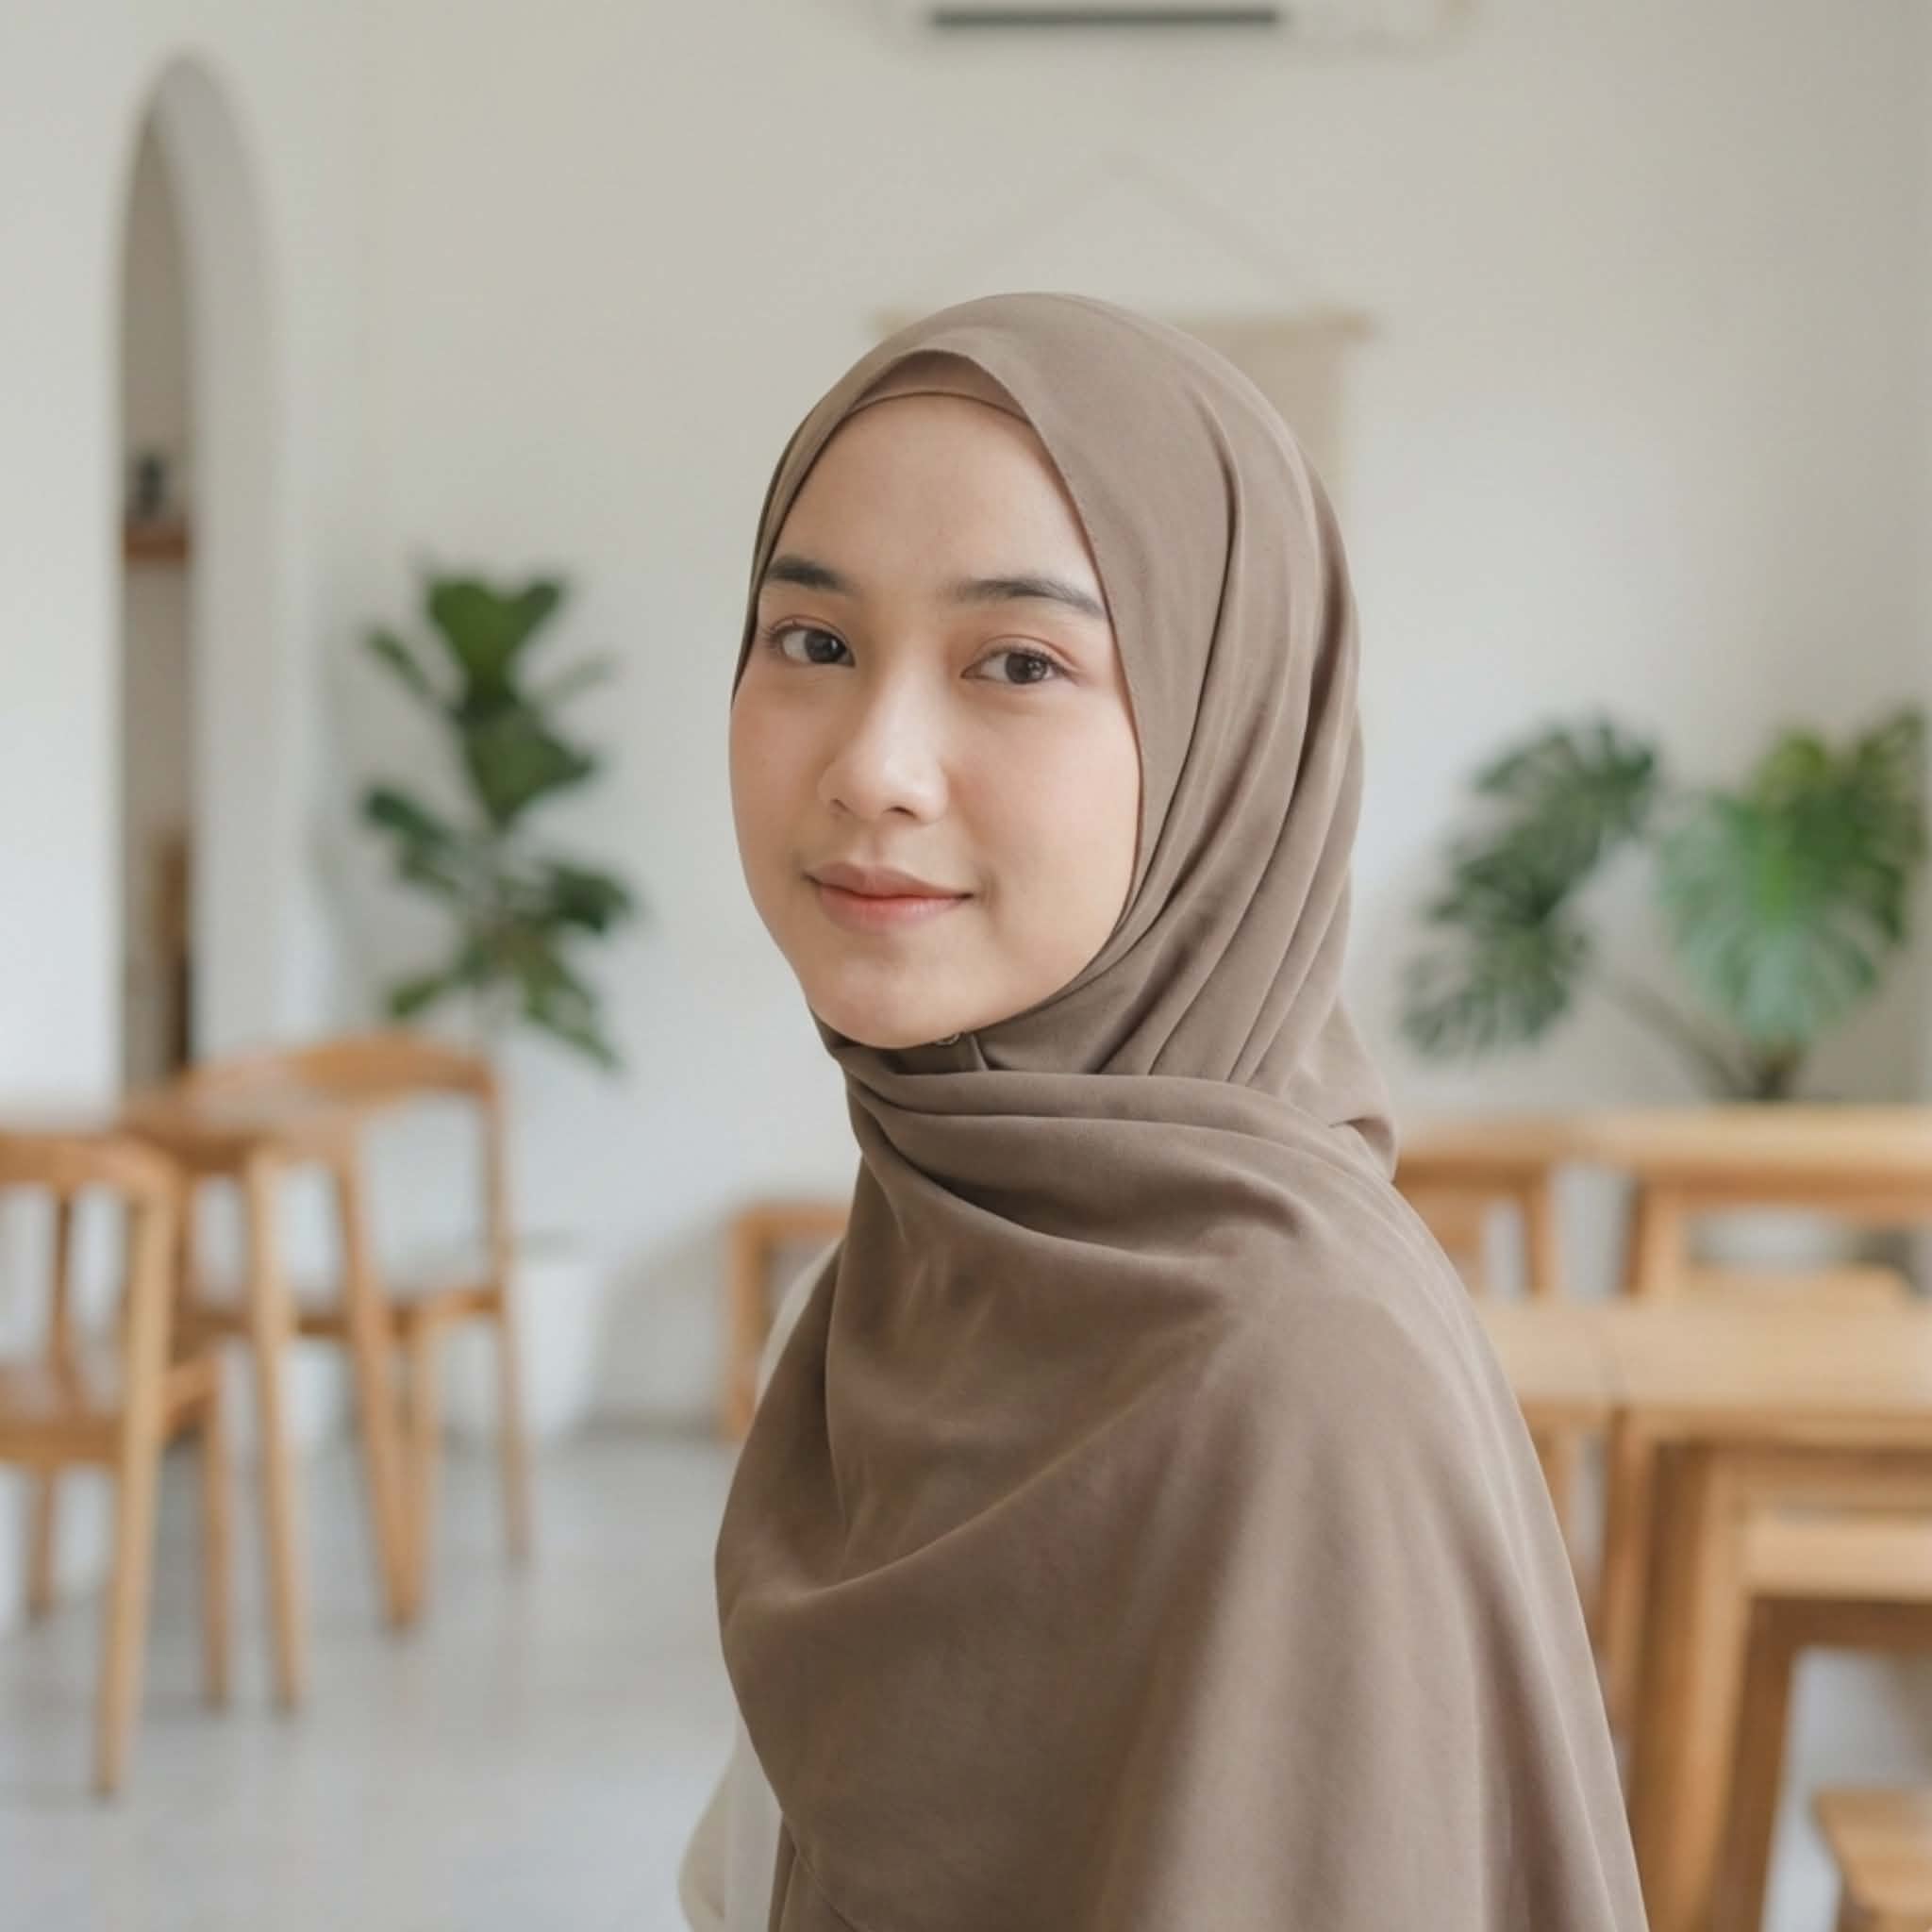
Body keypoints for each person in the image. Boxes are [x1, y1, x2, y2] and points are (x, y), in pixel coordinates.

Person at [684, 291, 1647, 1931]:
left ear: (1228, 736)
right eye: (815, 642)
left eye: (1019, 661)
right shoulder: (922, 1258)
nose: (876, 766)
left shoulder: (1293, 1377)